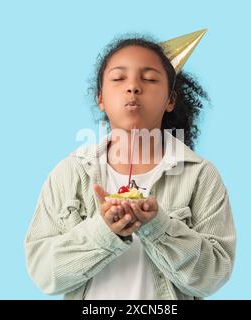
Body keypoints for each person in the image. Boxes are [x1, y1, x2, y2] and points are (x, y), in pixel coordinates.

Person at [24, 29, 236, 300]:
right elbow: (45, 275)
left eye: (149, 79)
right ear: (100, 98)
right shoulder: (70, 173)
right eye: (118, 78)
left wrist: (158, 226)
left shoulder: (200, 176)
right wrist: (104, 231)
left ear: (170, 100)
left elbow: (212, 277)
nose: (133, 86)